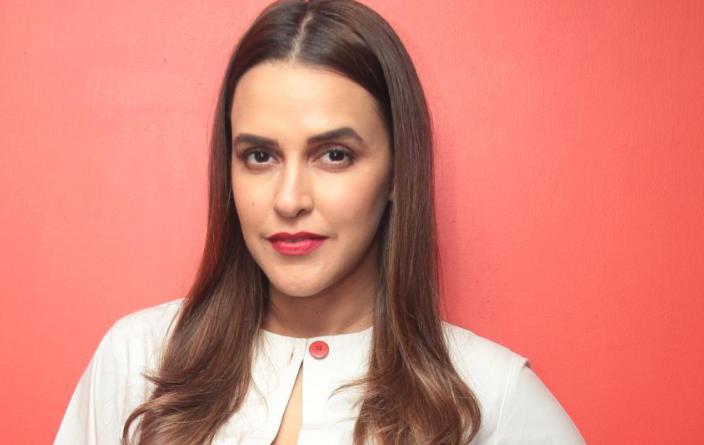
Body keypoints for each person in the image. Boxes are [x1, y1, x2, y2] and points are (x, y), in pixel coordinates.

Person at [53, 0, 586, 444]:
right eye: (260, 156)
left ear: (398, 171)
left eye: (334, 155)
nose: (289, 199)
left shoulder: (490, 399)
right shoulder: (138, 361)